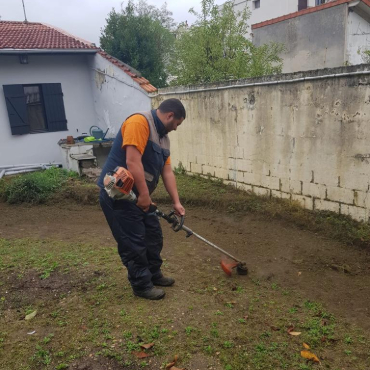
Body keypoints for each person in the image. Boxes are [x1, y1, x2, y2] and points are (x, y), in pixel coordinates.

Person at [98, 99, 186, 300]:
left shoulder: (163, 139)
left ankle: (154, 274)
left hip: (139, 196)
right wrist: (145, 196)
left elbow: (167, 171)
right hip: (119, 195)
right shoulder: (139, 122)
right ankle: (141, 285)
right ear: (170, 115)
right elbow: (132, 160)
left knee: (153, 234)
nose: (176, 129)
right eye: (177, 124)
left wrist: (176, 202)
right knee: (133, 240)